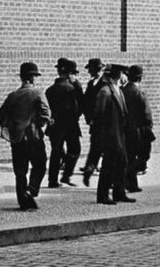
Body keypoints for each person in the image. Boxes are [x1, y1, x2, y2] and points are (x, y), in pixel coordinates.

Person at [0, 60, 50, 210]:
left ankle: (23, 203)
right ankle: (31, 190)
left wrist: (12, 128)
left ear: (21, 77)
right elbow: (46, 114)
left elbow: (0, 117)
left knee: (20, 172)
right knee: (40, 165)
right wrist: (37, 124)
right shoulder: (37, 93)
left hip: (17, 139)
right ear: (33, 78)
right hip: (33, 137)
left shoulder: (12, 96)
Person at [92, 65, 134, 205]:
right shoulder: (105, 92)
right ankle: (102, 195)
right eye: (123, 74)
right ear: (118, 75)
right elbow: (99, 114)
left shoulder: (119, 90)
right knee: (109, 164)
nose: (125, 77)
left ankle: (119, 192)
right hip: (110, 133)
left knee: (122, 162)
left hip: (120, 133)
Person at [45, 57, 84, 187]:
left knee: (55, 152)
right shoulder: (71, 89)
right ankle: (66, 175)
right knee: (75, 150)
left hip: (55, 125)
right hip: (70, 125)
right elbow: (78, 107)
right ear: (69, 74)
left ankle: (52, 180)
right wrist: (77, 85)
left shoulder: (49, 90)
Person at [123, 64, 155, 192]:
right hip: (139, 130)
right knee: (142, 158)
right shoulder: (139, 93)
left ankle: (131, 184)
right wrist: (149, 125)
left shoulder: (122, 90)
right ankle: (127, 178)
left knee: (129, 156)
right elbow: (147, 113)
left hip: (125, 129)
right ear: (140, 78)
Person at [80, 57, 107, 185]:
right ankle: (93, 168)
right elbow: (87, 103)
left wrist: (90, 119)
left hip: (95, 122)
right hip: (103, 123)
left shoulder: (94, 84)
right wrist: (89, 118)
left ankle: (90, 167)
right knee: (104, 148)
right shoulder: (103, 85)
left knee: (95, 147)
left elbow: (86, 103)